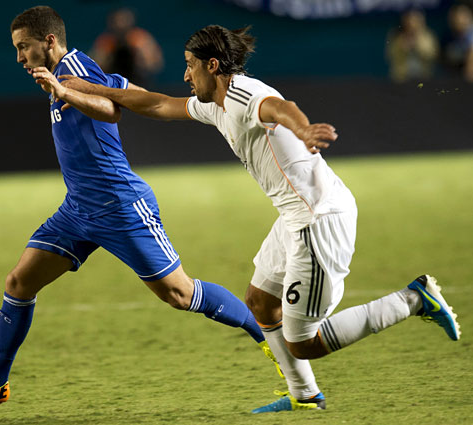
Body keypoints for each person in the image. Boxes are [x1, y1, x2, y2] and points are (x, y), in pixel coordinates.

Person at [58, 24, 462, 412]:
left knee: (304, 342)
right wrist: (89, 88)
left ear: (212, 65)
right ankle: (305, 395)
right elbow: (158, 104)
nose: (185, 75)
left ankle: (414, 299)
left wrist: (303, 130)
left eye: (190, 65)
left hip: (318, 220)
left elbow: (281, 108)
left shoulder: (243, 94)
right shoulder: (214, 105)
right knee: (260, 303)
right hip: (293, 217)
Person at [0, 7, 274, 407]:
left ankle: (268, 336)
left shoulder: (73, 69)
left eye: (24, 47)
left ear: (49, 41)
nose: (19, 57)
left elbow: (112, 110)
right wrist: (63, 90)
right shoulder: (61, 73)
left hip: (119, 205)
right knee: (19, 283)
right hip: (78, 210)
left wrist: (65, 92)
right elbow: (122, 91)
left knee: (179, 294)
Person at [90, 8, 163, 87]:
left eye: (124, 20)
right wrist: (109, 57)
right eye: (117, 21)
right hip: (115, 83)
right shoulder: (106, 41)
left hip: (139, 82)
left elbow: (156, 63)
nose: (120, 25)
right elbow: (95, 66)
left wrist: (139, 57)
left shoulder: (140, 39)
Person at [385, 9, 439, 83]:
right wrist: (401, 47)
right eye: (409, 20)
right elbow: (390, 56)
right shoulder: (396, 35)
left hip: (424, 78)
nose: (412, 23)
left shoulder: (428, 36)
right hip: (401, 79)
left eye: (415, 20)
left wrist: (417, 46)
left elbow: (432, 55)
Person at [443, 3, 473, 81]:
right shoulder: (451, 37)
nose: (459, 20)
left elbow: (470, 71)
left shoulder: (470, 34)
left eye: (463, 16)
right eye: (455, 17)